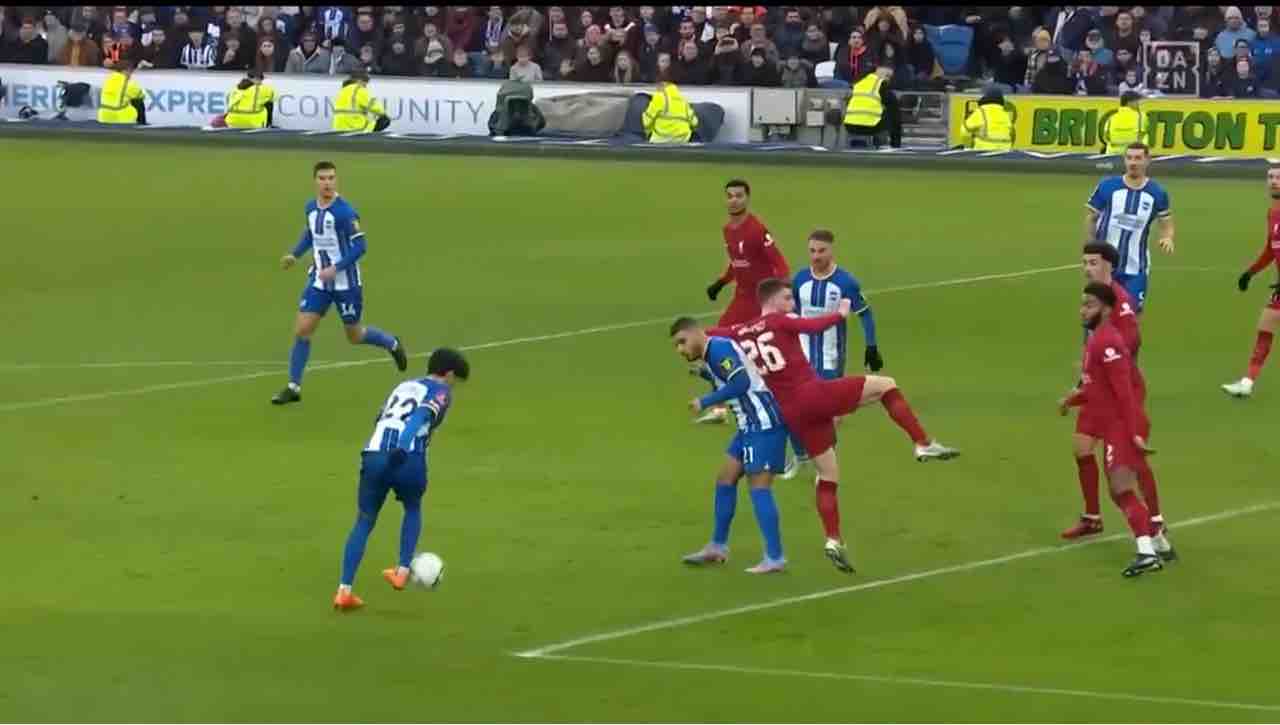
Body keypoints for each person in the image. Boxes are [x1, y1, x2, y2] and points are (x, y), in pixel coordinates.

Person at [708, 278, 958, 573]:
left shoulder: (740, 331)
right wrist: (840, 313)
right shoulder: (780, 320)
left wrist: (697, 335)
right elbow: (813, 326)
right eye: (788, 298)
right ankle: (923, 443)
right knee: (886, 385)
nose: (792, 304)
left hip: (792, 413)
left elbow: (712, 334)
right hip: (813, 395)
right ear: (772, 300)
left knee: (827, 474)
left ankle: (833, 540)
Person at [333, 348, 468, 610]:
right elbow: (421, 416)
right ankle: (402, 570)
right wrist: (403, 446)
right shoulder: (441, 391)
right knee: (412, 507)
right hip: (407, 456)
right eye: (455, 380)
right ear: (449, 374)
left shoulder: (403, 386)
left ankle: (343, 591)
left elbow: (380, 417)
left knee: (364, 521)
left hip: (374, 454)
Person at [1061, 244, 1170, 552]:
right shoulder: (1094, 297)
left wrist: (1107, 360)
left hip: (1120, 389)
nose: (1087, 268)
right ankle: (1092, 517)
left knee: (1131, 462)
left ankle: (1156, 522)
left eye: (1093, 262)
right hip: (1097, 388)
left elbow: (1131, 341)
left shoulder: (1120, 302)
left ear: (1108, 265)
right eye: (1084, 263)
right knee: (1081, 447)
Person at [272, 161, 407, 406]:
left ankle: (391, 343)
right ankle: (293, 387)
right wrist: (295, 254)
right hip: (319, 282)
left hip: (347, 284)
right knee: (302, 329)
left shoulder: (345, 213)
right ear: (315, 181)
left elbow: (361, 246)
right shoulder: (310, 208)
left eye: (331, 178)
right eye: (323, 178)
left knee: (354, 336)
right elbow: (311, 234)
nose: (327, 183)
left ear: (336, 180)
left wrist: (336, 268)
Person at [670, 319, 787, 574]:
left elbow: (741, 383)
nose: (680, 350)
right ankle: (717, 546)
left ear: (696, 332)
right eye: (677, 346)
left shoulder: (718, 349)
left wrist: (705, 401)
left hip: (762, 423)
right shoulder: (712, 354)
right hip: (748, 425)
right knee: (725, 478)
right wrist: (704, 374)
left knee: (759, 487)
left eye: (682, 342)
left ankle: (775, 557)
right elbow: (730, 378)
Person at [1083, 143, 1175, 313]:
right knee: (1099, 313)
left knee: (1130, 315)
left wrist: (1167, 237)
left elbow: (1166, 222)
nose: (1133, 162)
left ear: (1147, 160)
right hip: (1104, 266)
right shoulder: (1107, 186)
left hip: (1136, 268)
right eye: (1129, 158)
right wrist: (1091, 249)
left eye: (1138, 158)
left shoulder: (1157, 193)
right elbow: (1091, 217)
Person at [1223, 166, 1280, 399]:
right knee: (1265, 328)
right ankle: (1247, 382)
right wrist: (1250, 272)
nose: (1274, 181)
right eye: (1271, 177)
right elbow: (1271, 249)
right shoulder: (1273, 213)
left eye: (1279, 177)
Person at [842, 64, 898, 147]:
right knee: (892, 113)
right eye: (888, 76)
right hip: (870, 126)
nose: (888, 79)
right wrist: (896, 143)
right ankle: (886, 145)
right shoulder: (881, 84)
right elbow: (894, 111)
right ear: (879, 72)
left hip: (849, 126)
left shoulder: (859, 83)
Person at [641, 78, 698, 143]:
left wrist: (647, 131)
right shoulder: (683, 100)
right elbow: (695, 122)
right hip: (683, 140)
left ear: (661, 87)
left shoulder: (659, 97)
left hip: (661, 139)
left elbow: (646, 121)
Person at [96, 59, 146, 125]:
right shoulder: (129, 84)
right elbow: (141, 96)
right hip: (120, 117)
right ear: (125, 71)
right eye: (130, 72)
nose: (131, 74)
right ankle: (142, 124)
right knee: (138, 102)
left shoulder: (108, 79)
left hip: (103, 116)